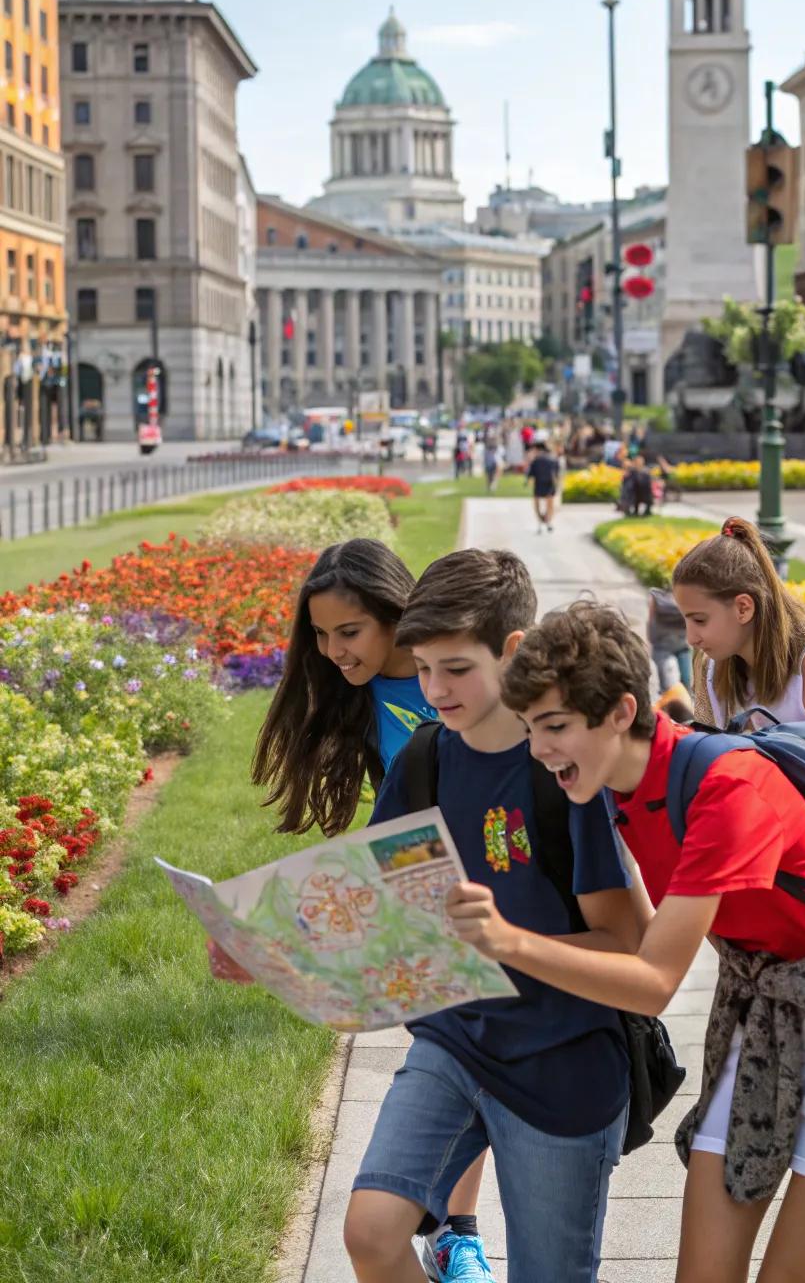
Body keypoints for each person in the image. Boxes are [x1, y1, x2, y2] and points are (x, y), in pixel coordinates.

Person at [450, 601, 805, 1283]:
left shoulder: (727, 786)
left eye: (554, 727)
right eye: (530, 727)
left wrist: (509, 943)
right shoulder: (607, 786)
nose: (538, 749)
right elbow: (628, 934)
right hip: (759, 1013)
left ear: (620, 712)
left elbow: (654, 980)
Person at [343, 550, 639, 1283]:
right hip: (453, 1042)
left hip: (560, 1060)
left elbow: (628, 942)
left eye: (455, 668)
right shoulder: (423, 761)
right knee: (371, 1235)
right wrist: (270, 948)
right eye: (422, 668)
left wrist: (511, 942)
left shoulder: (565, 770)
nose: (435, 689)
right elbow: (376, 901)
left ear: (512, 651)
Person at [236, 540, 491, 1282]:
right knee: (451, 1049)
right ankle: (454, 1231)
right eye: (320, 635)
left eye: (348, 632)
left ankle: (457, 1231)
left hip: (504, 883)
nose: (332, 650)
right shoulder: (356, 692)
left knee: (472, 1055)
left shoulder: (452, 664)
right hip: (427, 891)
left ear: (392, 614)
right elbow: (392, 816)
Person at [673, 517, 805, 734]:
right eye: (685, 620)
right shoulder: (711, 667)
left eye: (699, 620)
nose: (691, 638)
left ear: (743, 608)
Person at [647, 585, 693, 694]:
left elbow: (650, 620)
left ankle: (677, 702)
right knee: (678, 685)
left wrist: (650, 641)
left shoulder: (656, 598)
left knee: (671, 686)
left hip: (668, 646)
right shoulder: (689, 600)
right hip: (671, 646)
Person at [525, 439, 560, 534]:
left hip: (539, 484)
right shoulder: (553, 458)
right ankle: (548, 521)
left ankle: (540, 520)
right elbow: (556, 474)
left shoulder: (536, 460)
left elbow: (530, 474)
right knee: (550, 504)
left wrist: (527, 482)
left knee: (537, 503)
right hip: (550, 484)